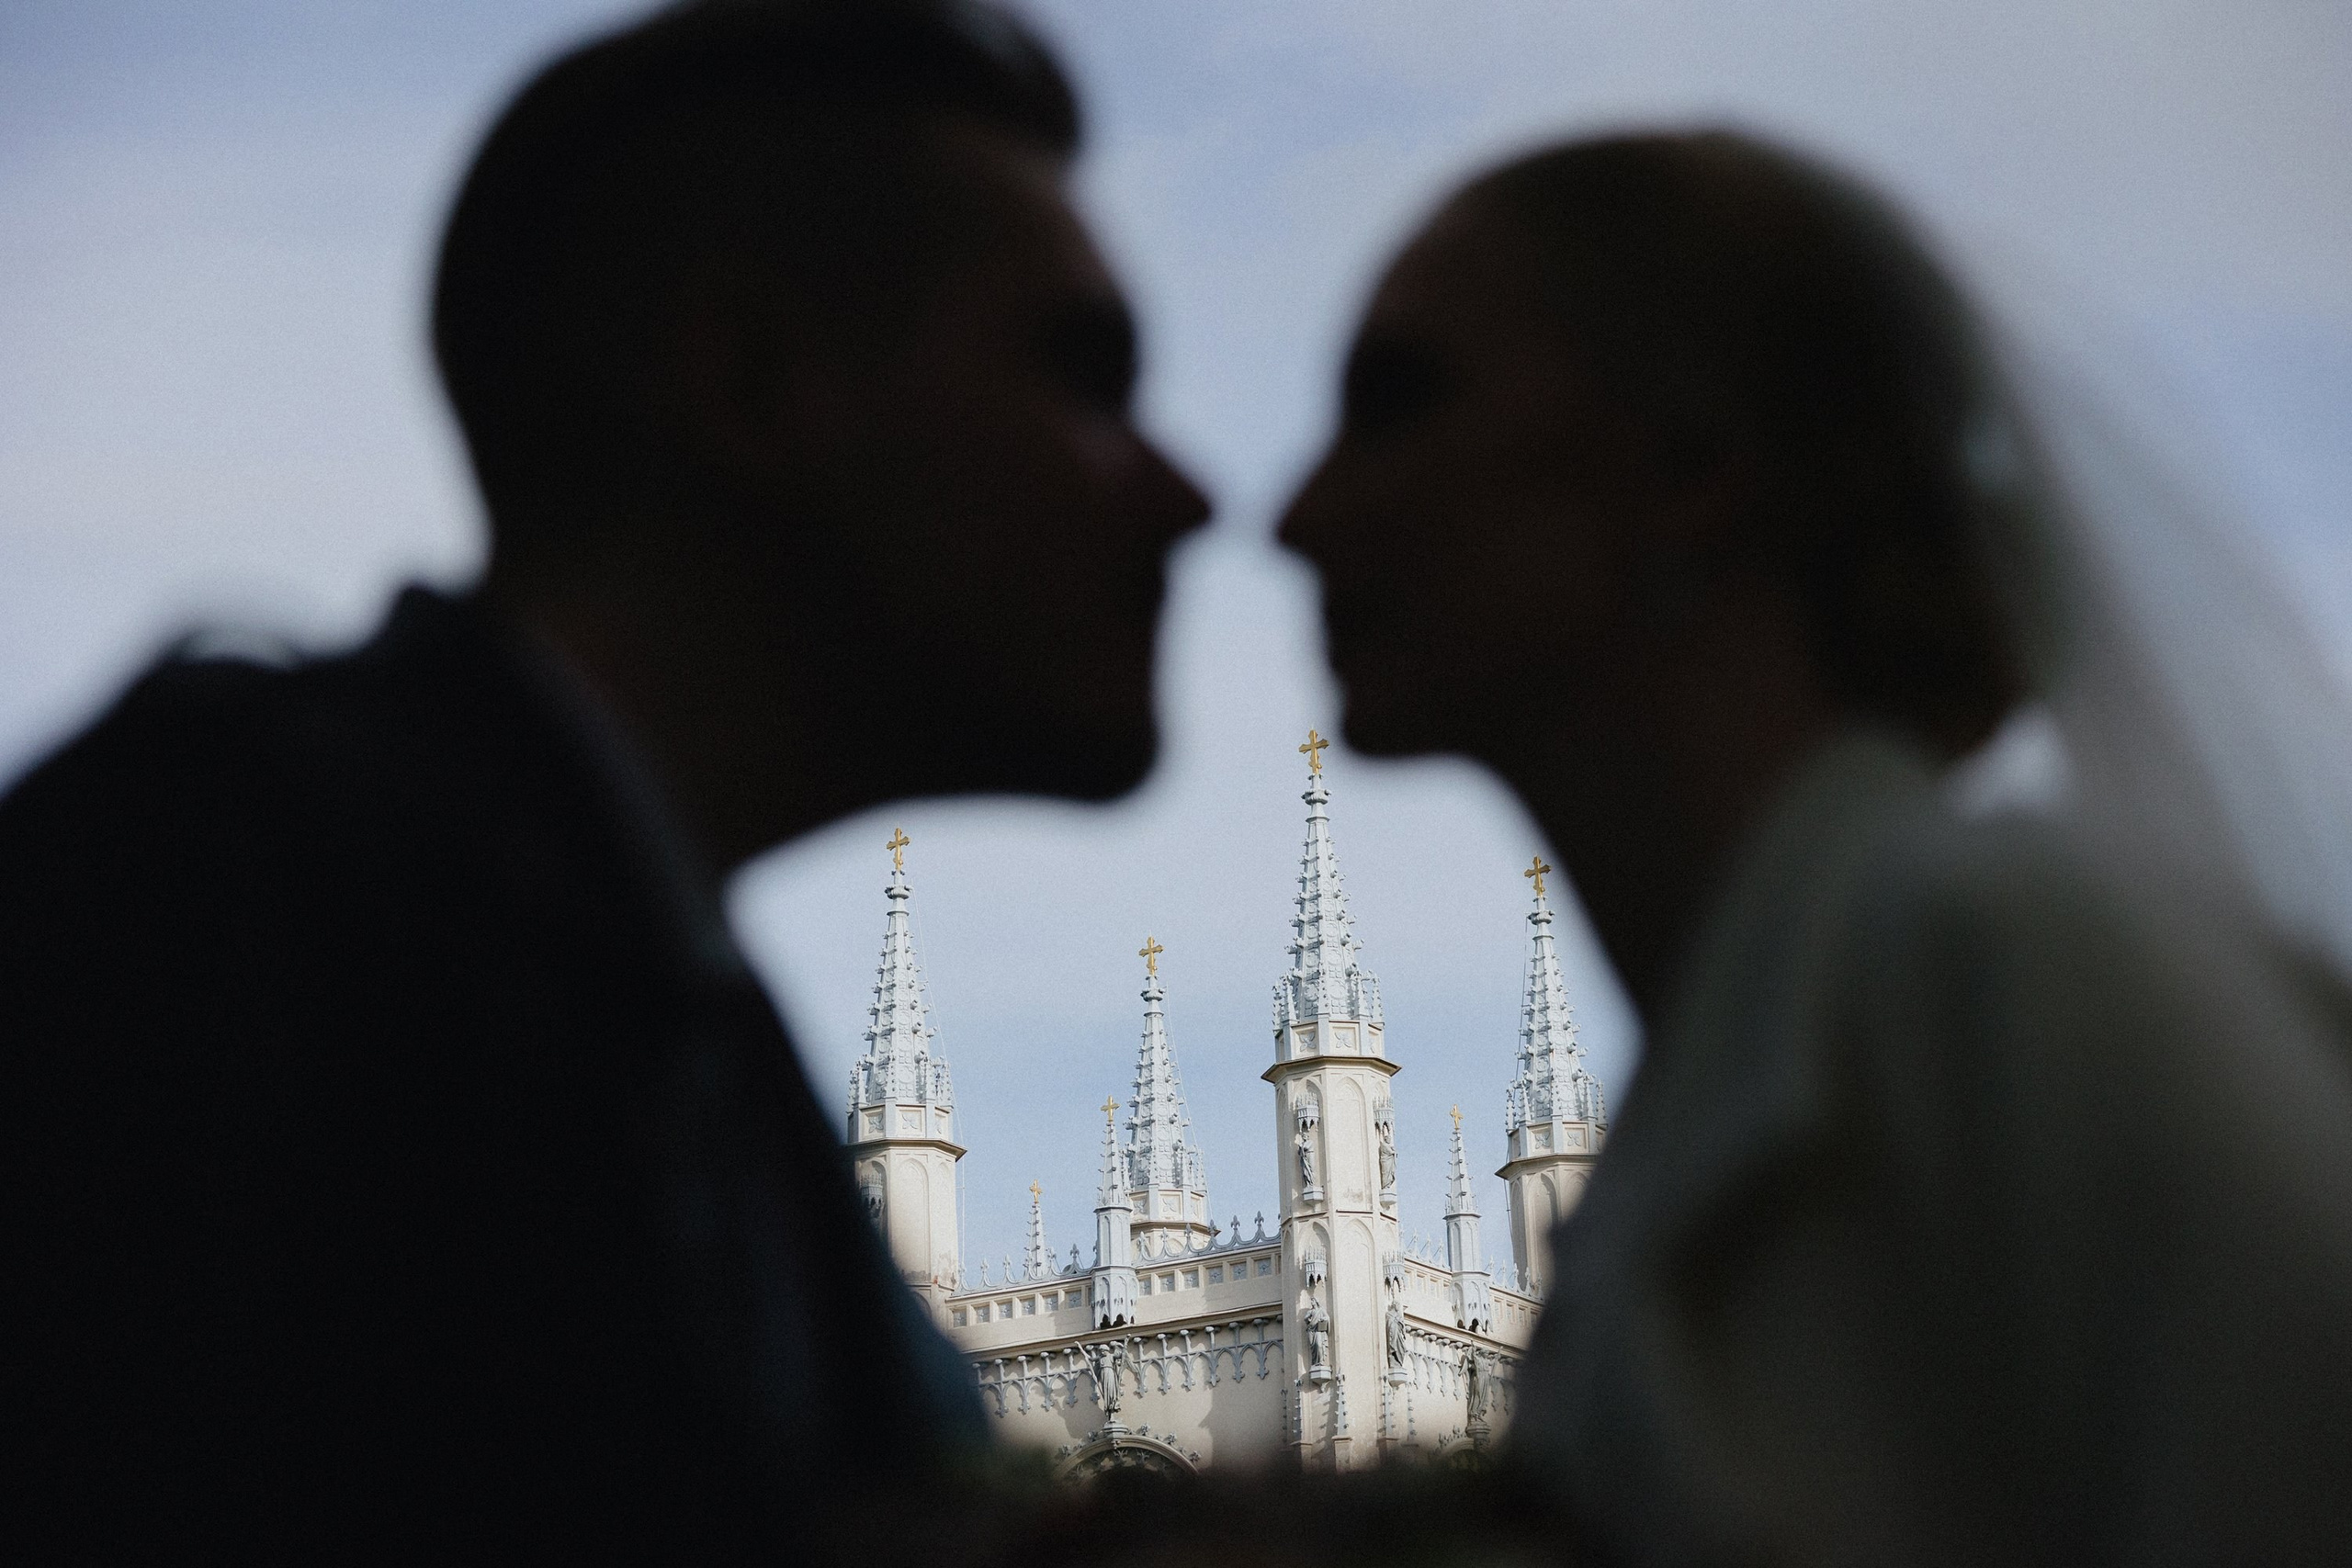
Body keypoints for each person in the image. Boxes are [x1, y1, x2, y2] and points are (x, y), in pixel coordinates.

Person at [0, 0, 1206, 1558]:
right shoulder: (197, 915)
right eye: (1081, 376)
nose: (1184, 492)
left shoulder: (656, 1022)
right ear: (751, 382)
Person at [1280, 130, 2352, 1564]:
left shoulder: (2016, 970)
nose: (1299, 514)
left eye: (1401, 402)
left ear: (1691, 469)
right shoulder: (1697, 1132)